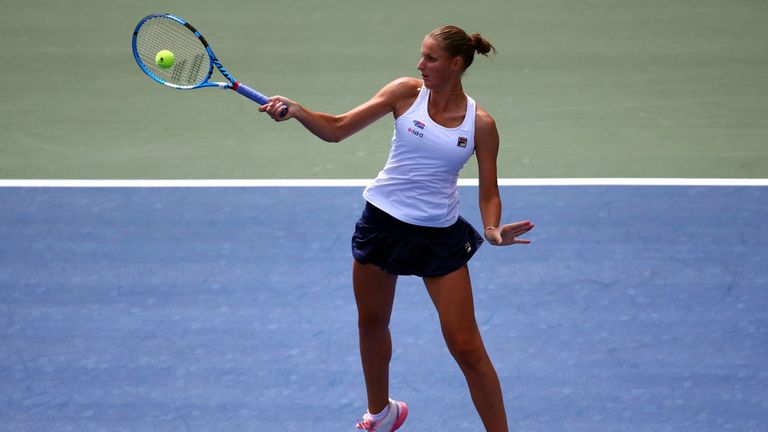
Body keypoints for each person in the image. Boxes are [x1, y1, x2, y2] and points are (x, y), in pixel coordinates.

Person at [260, 25, 533, 432]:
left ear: (456, 64)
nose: (420, 65)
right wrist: (299, 111)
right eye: (421, 56)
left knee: (467, 347)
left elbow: (489, 190)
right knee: (371, 323)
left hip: (439, 236)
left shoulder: (481, 124)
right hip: (382, 223)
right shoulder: (405, 93)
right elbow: (336, 128)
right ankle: (381, 414)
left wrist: (492, 230)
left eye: (430, 59)